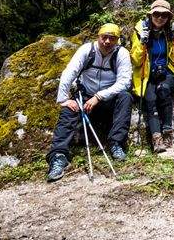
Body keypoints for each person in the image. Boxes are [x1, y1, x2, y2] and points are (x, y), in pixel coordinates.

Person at [46, 23, 133, 182]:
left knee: (125, 97)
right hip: (84, 97)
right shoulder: (87, 50)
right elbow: (70, 72)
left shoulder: (121, 54)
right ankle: (58, 156)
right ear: (98, 37)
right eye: (104, 37)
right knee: (68, 110)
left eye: (112, 38)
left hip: (107, 99)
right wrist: (64, 99)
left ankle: (116, 144)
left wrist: (99, 96)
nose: (107, 41)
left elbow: (125, 82)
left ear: (117, 40)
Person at [130, 0, 174, 152]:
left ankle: (167, 129)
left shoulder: (171, 32)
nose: (160, 18)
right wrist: (143, 42)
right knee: (150, 99)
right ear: (151, 15)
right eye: (156, 14)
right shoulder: (140, 31)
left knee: (164, 89)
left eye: (164, 15)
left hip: (167, 71)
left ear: (169, 18)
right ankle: (157, 139)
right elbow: (135, 60)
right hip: (147, 73)